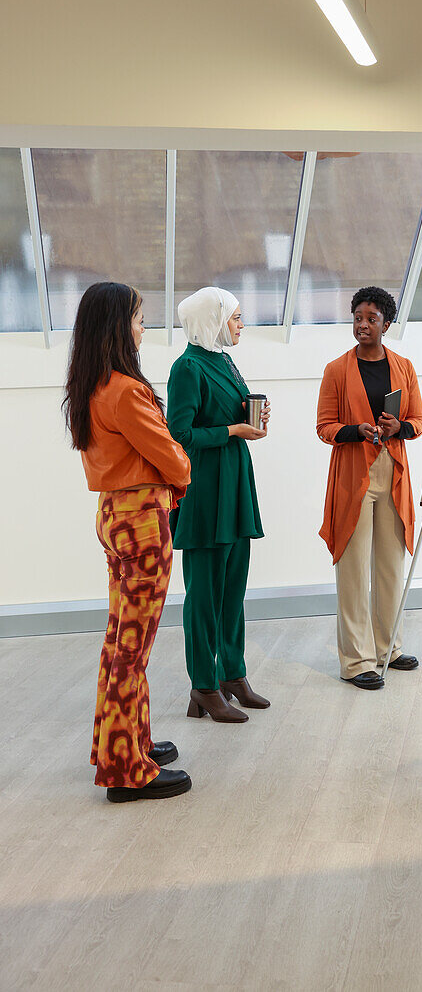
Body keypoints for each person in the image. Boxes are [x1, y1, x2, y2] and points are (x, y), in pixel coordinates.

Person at [63, 282, 192, 803]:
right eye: (139, 318)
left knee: (120, 639)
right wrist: (180, 470)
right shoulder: (126, 391)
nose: (143, 328)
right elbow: (173, 458)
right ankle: (125, 771)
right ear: (119, 325)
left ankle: (122, 743)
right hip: (142, 519)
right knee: (132, 651)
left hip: (114, 517)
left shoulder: (90, 385)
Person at [167, 287, 271, 723]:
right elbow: (180, 434)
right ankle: (203, 685)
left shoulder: (223, 359)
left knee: (232, 589)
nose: (241, 324)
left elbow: (229, 412)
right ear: (213, 319)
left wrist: (252, 418)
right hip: (206, 492)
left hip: (233, 485)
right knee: (204, 595)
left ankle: (233, 674)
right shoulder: (187, 368)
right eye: (235, 317)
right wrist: (231, 431)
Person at [317, 286, 422, 690]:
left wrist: (401, 427)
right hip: (353, 476)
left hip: (393, 472)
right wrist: (354, 430)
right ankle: (356, 660)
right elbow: (324, 427)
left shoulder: (404, 366)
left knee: (389, 566)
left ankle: (389, 648)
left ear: (387, 324)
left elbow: (418, 420)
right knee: (353, 566)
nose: (362, 325)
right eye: (358, 317)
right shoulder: (336, 370)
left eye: (371, 319)